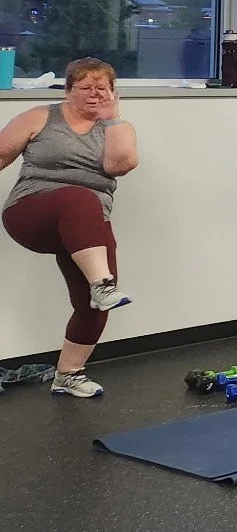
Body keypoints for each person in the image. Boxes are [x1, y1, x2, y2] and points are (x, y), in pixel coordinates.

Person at [0, 58, 138, 398]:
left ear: (114, 93)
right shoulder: (41, 116)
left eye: (102, 89)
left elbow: (119, 166)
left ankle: (69, 375)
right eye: (86, 88)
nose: (95, 95)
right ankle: (101, 283)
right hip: (31, 213)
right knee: (77, 197)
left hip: (85, 226)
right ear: (68, 90)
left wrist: (111, 120)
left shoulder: (119, 126)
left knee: (94, 306)